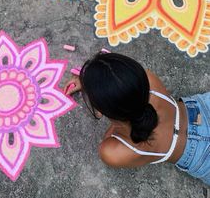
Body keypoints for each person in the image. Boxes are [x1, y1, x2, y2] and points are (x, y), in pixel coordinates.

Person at [64, 52, 210, 185]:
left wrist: (95, 88)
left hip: (201, 158)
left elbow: (113, 134)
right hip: (203, 107)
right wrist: (99, 87)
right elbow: (123, 89)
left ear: (100, 111)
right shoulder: (149, 79)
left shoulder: (114, 152)